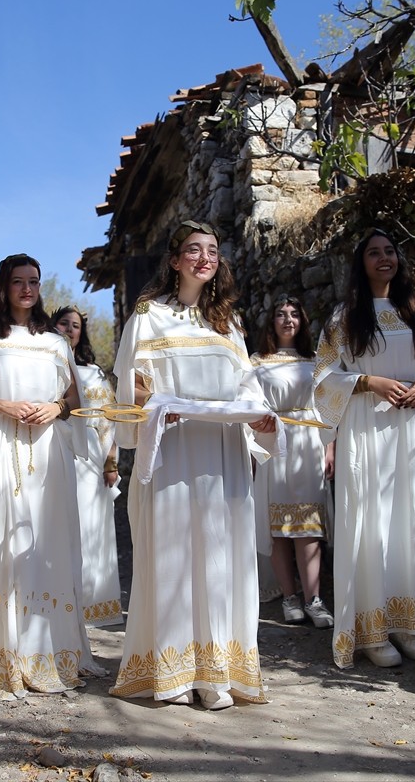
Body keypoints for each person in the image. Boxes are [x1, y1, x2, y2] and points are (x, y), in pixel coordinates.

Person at [110, 219, 276, 711]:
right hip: (174, 448)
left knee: (221, 555)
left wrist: (261, 418)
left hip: (223, 451)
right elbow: (131, 386)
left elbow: (247, 385)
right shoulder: (148, 315)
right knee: (175, 551)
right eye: (193, 250)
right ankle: (174, 672)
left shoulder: (230, 323)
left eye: (212, 251)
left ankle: (218, 672)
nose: (204, 258)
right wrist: (162, 402)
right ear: (175, 259)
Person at [312, 227, 415, 669]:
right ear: (361, 263)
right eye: (374, 252)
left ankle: (411, 624)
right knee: (374, 523)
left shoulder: (414, 310)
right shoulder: (346, 316)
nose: (384, 258)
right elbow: (321, 376)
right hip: (368, 430)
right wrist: (367, 381)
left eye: (390, 251)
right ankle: (373, 632)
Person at [0, 254, 92, 701]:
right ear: (4, 286)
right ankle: (3, 657)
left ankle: (47, 653)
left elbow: (73, 398)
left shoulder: (54, 342)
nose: (27, 289)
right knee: (3, 545)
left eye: (34, 281)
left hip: (47, 453)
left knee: (45, 547)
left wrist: (57, 408)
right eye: (18, 282)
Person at [251, 297, 334, 629]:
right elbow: (249, 406)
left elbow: (328, 408)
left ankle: (314, 599)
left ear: (303, 322)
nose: (288, 319)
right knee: (280, 528)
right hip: (273, 443)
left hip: (310, 444)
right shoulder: (258, 362)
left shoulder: (315, 361)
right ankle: (289, 597)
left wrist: (331, 446)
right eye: (280, 314)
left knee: (309, 526)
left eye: (295, 314)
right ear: (271, 322)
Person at [52, 305, 123, 627]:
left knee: (92, 528)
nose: (69, 329)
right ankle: (60, 603)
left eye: (75, 325)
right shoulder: (46, 366)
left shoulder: (95, 373)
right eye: (63, 323)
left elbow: (112, 421)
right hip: (57, 452)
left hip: (92, 460)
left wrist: (110, 463)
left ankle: (93, 604)